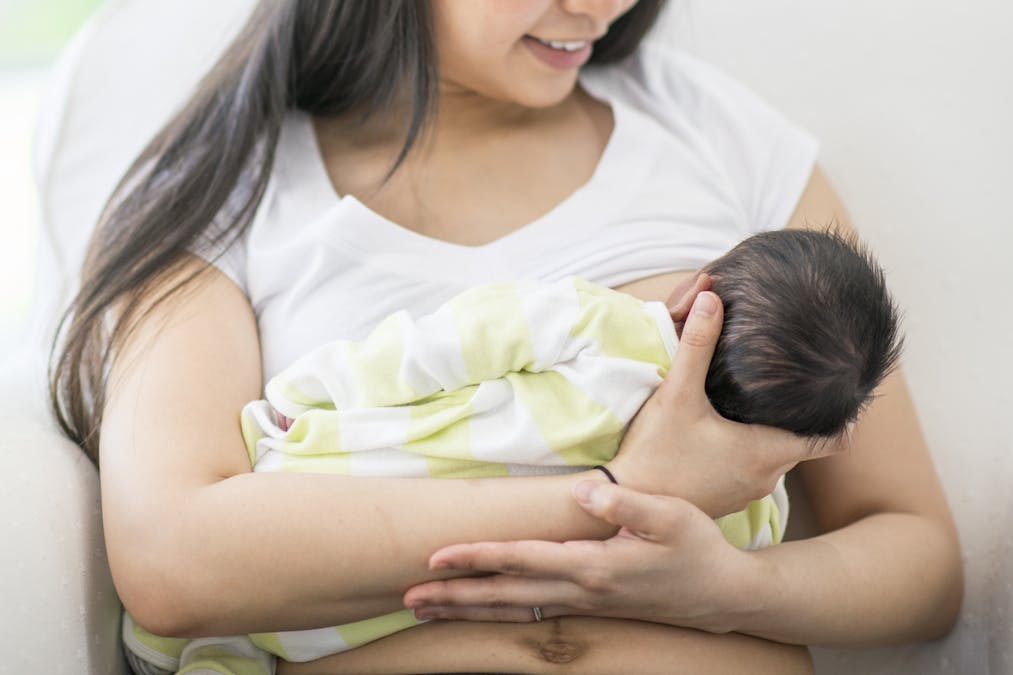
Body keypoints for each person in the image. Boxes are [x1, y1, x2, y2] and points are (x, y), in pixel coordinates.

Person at [50, 2, 961, 674]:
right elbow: (174, 558)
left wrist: (726, 589)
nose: (597, 7)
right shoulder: (224, 191)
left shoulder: (724, 141)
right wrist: (624, 496)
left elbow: (916, 561)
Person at [124, 228, 902, 673]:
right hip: (371, 609)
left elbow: (432, 348)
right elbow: (177, 556)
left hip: (346, 542)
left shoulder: (596, 322)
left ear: (690, 294)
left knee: (256, 631)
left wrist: (308, 394)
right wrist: (630, 491)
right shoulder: (751, 496)